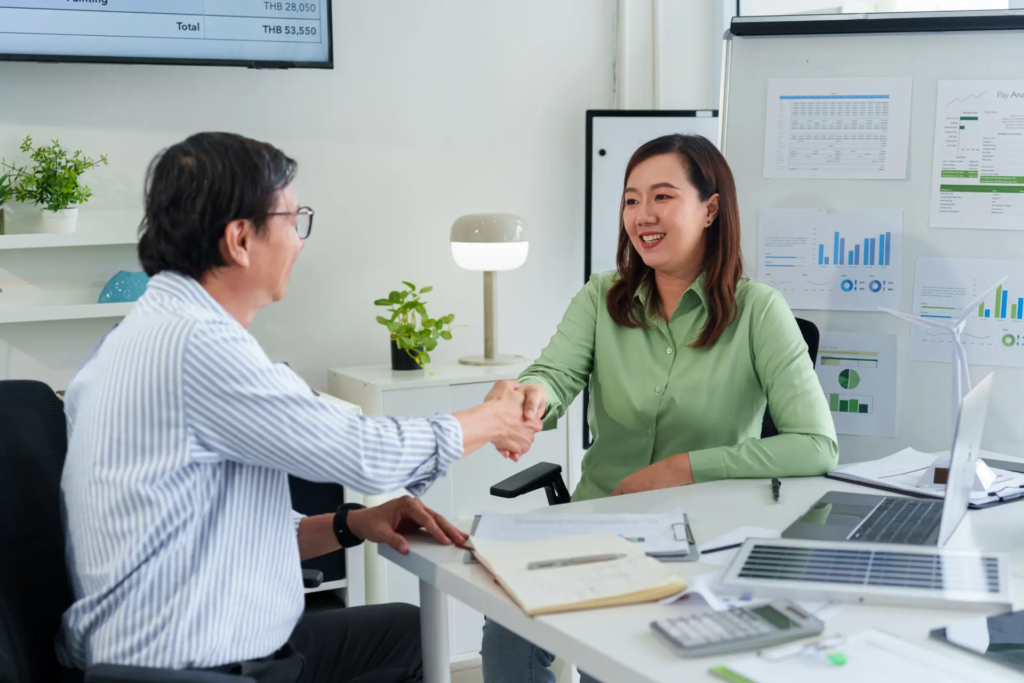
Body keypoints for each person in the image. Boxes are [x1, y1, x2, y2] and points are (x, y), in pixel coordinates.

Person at [58, 132, 542, 683]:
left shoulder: (146, 333)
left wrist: (354, 523)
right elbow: (365, 452)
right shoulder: (196, 347)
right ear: (241, 238)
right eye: (293, 220)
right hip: (194, 668)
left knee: (406, 634)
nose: (300, 241)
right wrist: (493, 418)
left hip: (169, 644)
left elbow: (233, 535)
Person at [480, 134, 838, 683]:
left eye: (663, 197)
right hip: (598, 524)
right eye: (631, 200)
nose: (643, 215)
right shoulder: (602, 298)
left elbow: (816, 445)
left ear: (710, 209)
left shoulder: (759, 311)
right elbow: (554, 374)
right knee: (505, 618)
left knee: (631, 659)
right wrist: (525, 400)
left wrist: (684, 468)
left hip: (703, 537)